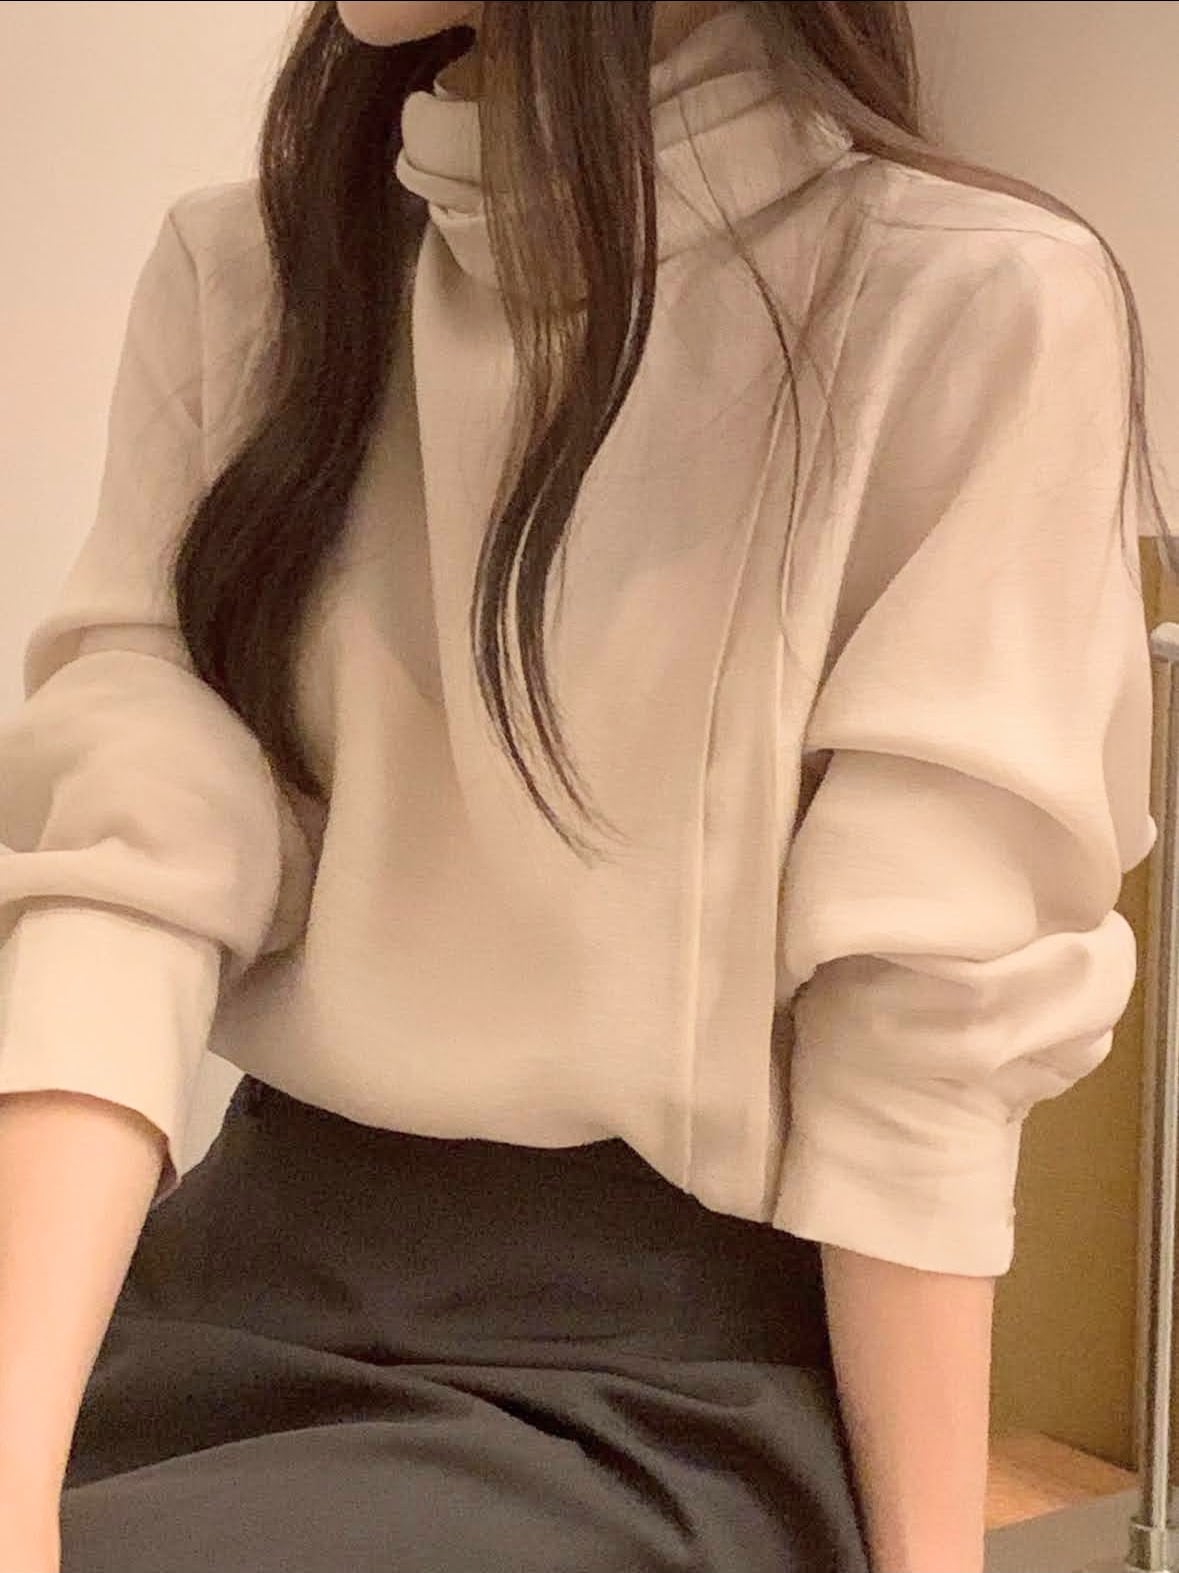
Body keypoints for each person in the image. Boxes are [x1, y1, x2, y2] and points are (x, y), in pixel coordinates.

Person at [0, 2, 1168, 1570]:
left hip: (645, 1393)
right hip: (216, 1290)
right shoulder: (250, 276)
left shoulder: (965, 302)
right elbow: (119, 887)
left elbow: (917, 1051)